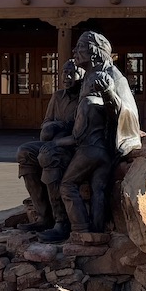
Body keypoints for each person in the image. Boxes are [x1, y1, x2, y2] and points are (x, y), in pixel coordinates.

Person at [46, 31, 142, 241]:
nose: (74, 51)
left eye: (80, 47)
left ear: (94, 53)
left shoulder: (113, 77)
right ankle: (95, 232)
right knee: (98, 189)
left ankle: (78, 228)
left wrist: (108, 93)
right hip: (99, 148)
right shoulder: (89, 76)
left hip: (95, 145)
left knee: (66, 181)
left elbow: (127, 112)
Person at [16, 58, 84, 233]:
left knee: (47, 156)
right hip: (52, 142)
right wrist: (49, 127)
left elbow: (79, 133)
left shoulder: (84, 99)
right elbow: (46, 124)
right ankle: (43, 216)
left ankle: (61, 221)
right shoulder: (57, 97)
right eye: (64, 73)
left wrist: (60, 126)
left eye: (71, 73)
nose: (66, 76)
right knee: (24, 152)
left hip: (72, 147)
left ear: (81, 74)